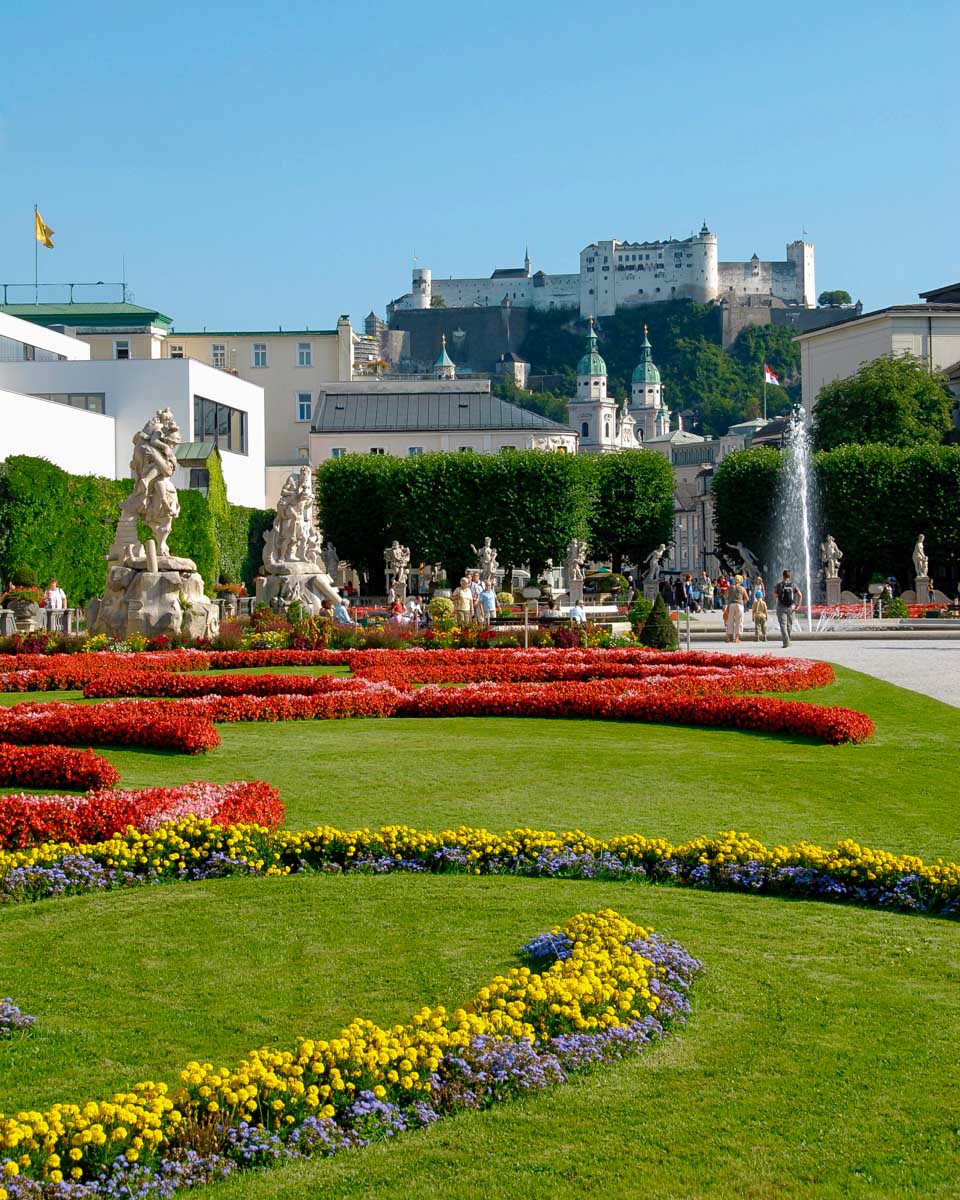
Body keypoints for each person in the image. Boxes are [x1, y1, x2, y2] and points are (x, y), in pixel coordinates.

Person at [773, 570, 802, 648]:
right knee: (789, 625)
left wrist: (779, 595)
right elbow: (800, 594)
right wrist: (798, 605)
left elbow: (775, 595)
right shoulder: (793, 585)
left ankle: (786, 642)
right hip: (791, 607)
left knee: (783, 625)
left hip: (781, 607)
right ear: (790, 576)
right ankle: (788, 640)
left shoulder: (779, 585)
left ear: (783, 576)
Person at [724, 574, 749, 643]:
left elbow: (725, 596)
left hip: (731, 605)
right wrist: (742, 603)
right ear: (741, 581)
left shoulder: (730, 587)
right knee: (739, 621)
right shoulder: (742, 588)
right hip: (739, 605)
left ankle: (729, 637)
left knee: (730, 621)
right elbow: (747, 598)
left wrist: (729, 599)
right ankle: (737, 638)